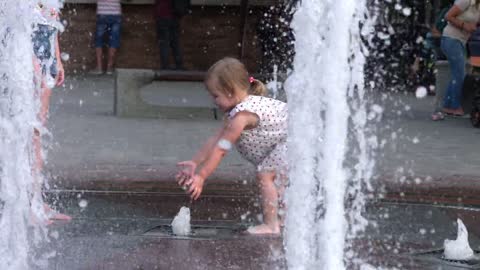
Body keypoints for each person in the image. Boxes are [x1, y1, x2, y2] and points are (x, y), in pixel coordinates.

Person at [176, 57, 287, 235]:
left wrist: (202, 177)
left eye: (215, 95)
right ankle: (282, 221)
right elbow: (216, 139)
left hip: (292, 140)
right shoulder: (238, 111)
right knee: (279, 182)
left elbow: (221, 148)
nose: (214, 101)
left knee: (265, 176)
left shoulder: (242, 116)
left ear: (229, 91)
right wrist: (195, 162)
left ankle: (271, 225)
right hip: (288, 141)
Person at [32, 1, 71, 223]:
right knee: (27, 133)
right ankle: (27, 204)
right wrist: (30, 60)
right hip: (28, 54)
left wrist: (57, 60)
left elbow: (53, 24)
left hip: (45, 54)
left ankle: (36, 201)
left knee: (37, 132)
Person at [434, 0, 480, 119]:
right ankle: (455, 107)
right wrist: (465, 26)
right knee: (460, 74)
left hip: (461, 42)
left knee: (457, 74)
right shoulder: (466, 1)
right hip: (450, 39)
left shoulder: (478, 7)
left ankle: (448, 106)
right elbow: (448, 16)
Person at [91, 0, 122, 75]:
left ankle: (99, 67)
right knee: (113, 40)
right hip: (115, 13)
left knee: (99, 40)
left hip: (102, 13)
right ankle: (109, 68)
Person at [154, 0, 185, 70]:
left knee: (164, 43)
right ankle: (179, 64)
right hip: (174, 16)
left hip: (162, 15)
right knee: (175, 42)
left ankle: (165, 66)